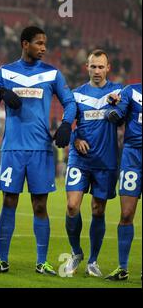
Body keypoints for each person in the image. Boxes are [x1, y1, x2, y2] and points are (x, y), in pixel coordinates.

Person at [0, 26, 76, 275]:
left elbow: (70, 102)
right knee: (9, 202)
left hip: (40, 150)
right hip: (13, 148)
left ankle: (42, 262)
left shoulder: (52, 74)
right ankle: (2, 260)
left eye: (45, 43)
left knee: (39, 206)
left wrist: (67, 124)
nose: (44, 48)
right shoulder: (5, 71)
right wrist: (2, 91)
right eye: (39, 43)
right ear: (25, 44)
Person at [63, 50, 123, 277]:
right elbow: (67, 125)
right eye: (93, 67)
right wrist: (75, 139)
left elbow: (124, 115)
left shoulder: (118, 92)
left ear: (108, 68)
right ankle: (76, 252)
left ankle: (93, 261)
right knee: (72, 206)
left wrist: (117, 108)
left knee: (98, 210)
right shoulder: (76, 95)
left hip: (105, 160)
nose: (97, 71)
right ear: (86, 68)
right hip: (80, 159)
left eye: (101, 67)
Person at [105, 83, 142, 281]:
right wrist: (113, 108)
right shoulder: (131, 91)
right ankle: (122, 268)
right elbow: (117, 115)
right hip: (132, 157)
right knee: (126, 214)